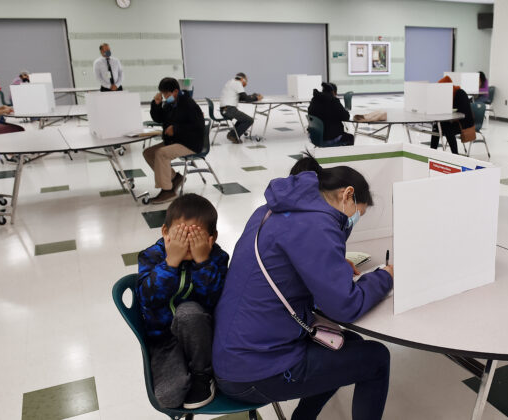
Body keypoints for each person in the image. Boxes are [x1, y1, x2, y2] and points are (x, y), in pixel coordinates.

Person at [213, 154, 394, 420]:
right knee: (377, 358)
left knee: (345, 343)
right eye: (359, 213)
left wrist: (335, 264)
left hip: (234, 353)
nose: (354, 221)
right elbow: (345, 305)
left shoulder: (270, 210)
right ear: (348, 195)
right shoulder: (318, 224)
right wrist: (385, 276)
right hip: (255, 372)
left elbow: (287, 262)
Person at [137, 193, 229, 409]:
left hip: (203, 336)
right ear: (165, 232)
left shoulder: (217, 258)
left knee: (188, 312)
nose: (186, 245)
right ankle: (194, 368)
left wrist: (203, 262)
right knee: (168, 397)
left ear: (211, 238)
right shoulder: (151, 256)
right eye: (180, 237)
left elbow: (216, 299)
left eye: (194, 238)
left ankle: (202, 373)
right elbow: (147, 298)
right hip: (164, 342)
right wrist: (171, 263)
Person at [144, 77, 204, 204]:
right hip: (176, 140)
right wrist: (156, 104)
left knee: (161, 153)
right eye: (163, 94)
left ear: (175, 91)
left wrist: (176, 129)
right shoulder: (170, 104)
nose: (165, 97)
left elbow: (198, 126)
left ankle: (167, 191)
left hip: (190, 142)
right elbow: (158, 118)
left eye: (166, 94)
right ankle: (175, 178)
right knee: (148, 153)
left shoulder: (188, 104)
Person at [430, 75, 475, 154]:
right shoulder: (448, 95)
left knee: (448, 129)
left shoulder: (460, 93)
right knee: (436, 127)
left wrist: (451, 115)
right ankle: (432, 153)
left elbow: (463, 113)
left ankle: (455, 154)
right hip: (453, 121)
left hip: (465, 122)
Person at [218, 72, 262, 144]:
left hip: (225, 109)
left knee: (243, 119)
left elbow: (242, 97)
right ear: (242, 79)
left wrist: (252, 96)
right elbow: (246, 99)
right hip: (229, 109)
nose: (246, 83)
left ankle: (232, 134)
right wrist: (257, 98)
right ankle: (233, 136)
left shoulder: (230, 82)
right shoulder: (238, 83)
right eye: (246, 81)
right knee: (249, 120)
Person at [307, 82, 354, 146]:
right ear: (334, 92)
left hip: (314, 137)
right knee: (350, 137)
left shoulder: (314, 100)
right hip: (329, 138)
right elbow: (346, 117)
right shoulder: (333, 101)